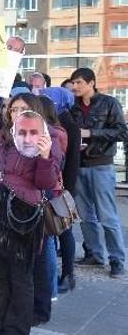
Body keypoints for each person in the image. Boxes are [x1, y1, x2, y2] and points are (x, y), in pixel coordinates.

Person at [0, 89, 63, 334]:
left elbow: (45, 183)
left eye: (21, 109)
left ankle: (16, 330)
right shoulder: (0, 137)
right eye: (12, 109)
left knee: (20, 278)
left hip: (22, 214)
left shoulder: (47, 139)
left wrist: (46, 156)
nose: (15, 113)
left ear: (35, 112)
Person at [70, 67, 127, 277]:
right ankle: (95, 254)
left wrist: (91, 133)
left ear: (91, 83)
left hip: (101, 165)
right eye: (73, 83)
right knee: (85, 216)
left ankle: (117, 260)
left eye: (78, 83)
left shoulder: (109, 103)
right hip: (79, 165)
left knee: (107, 216)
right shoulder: (72, 108)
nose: (74, 87)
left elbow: (122, 131)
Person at [41, 87, 79, 294]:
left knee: (63, 230)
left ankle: (68, 274)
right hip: (56, 185)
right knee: (57, 230)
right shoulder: (57, 124)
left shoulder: (66, 126)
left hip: (60, 187)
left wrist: (68, 190)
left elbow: (72, 161)